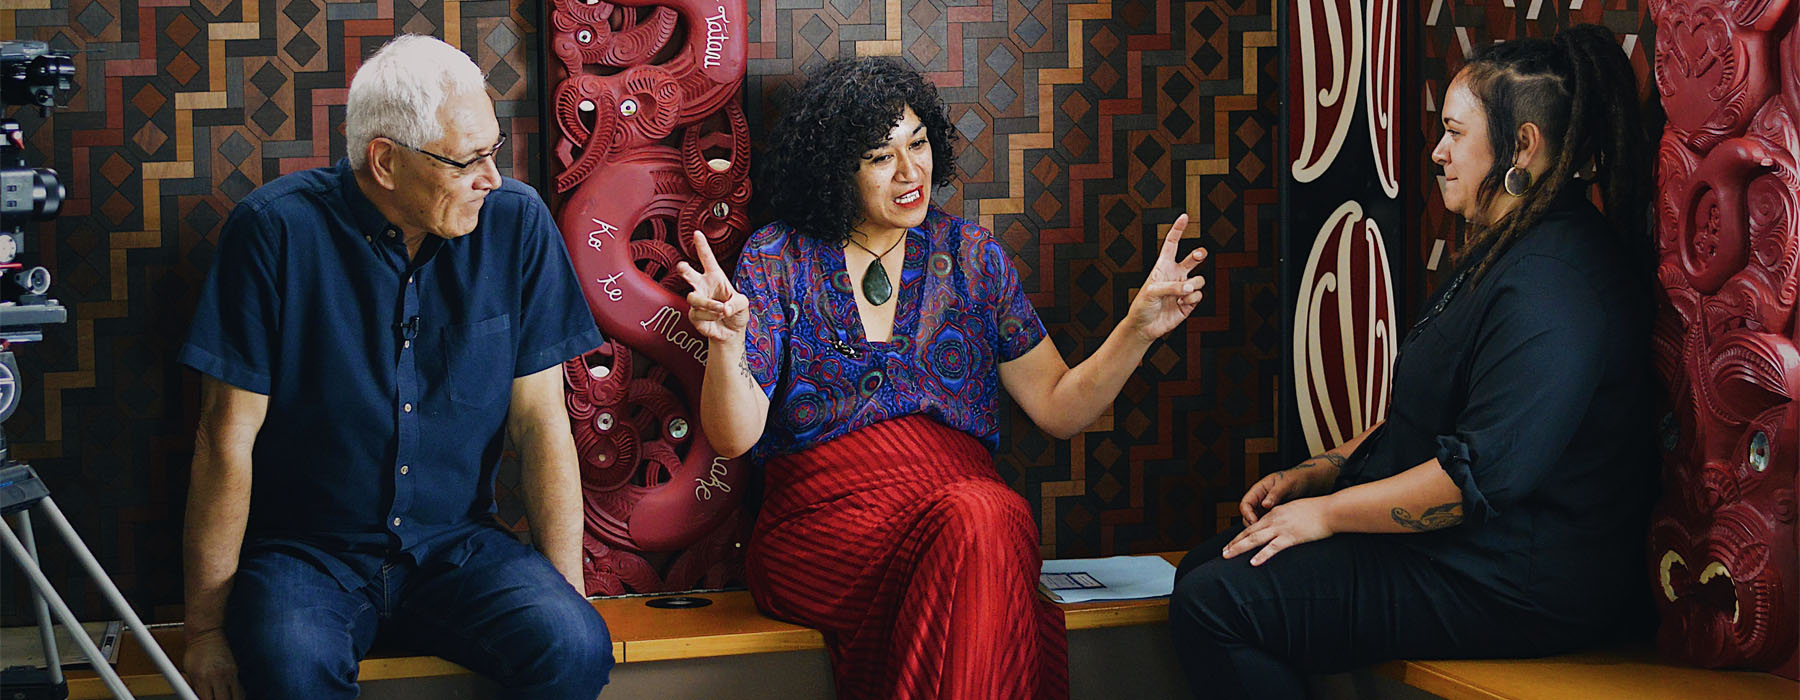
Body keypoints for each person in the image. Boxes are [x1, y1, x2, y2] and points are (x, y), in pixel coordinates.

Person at [674, 56, 1207, 699]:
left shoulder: (974, 258)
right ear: (835, 169)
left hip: (965, 518)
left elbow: (1060, 407)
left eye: (919, 144)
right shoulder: (778, 256)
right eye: (880, 156)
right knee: (986, 523)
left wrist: (1138, 329)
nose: (910, 173)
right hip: (821, 531)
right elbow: (735, 438)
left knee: (984, 521)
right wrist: (728, 348)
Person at [1167, 24, 1656, 699]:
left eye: (1456, 133)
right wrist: (1323, 472)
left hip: (1520, 579)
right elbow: (1427, 417)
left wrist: (1330, 516)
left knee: (1220, 601)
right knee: (1206, 568)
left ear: (1522, 146)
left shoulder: (1557, 284)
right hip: (1468, 554)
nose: (1438, 152)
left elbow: (1475, 479)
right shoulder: (1510, 245)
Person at [178, 34, 612, 700]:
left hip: (457, 546)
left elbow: (541, 421)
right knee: (291, 669)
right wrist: (204, 631)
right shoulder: (274, 232)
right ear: (384, 161)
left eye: (493, 152)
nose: (491, 179)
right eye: (469, 161)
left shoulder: (516, 223)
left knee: (575, 647)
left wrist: (569, 593)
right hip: (306, 552)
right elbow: (223, 438)